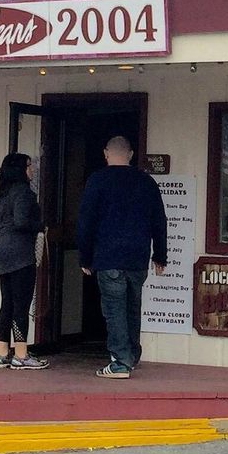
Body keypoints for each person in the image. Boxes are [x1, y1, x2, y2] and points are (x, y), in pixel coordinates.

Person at [77, 135, 168, 379]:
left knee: (114, 309)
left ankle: (119, 361)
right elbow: (159, 221)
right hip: (137, 257)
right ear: (130, 154)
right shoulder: (147, 182)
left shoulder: (97, 181)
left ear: (106, 153)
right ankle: (132, 354)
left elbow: (86, 222)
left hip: (107, 257)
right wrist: (160, 255)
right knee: (132, 306)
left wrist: (85, 258)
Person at [0, 152, 49, 370]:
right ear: (20, 169)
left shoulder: (2, 193)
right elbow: (22, 221)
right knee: (21, 304)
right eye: (29, 165)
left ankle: (1, 351)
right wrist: (40, 225)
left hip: (2, 250)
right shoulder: (24, 192)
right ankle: (21, 353)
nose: (32, 169)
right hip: (20, 252)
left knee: (7, 302)